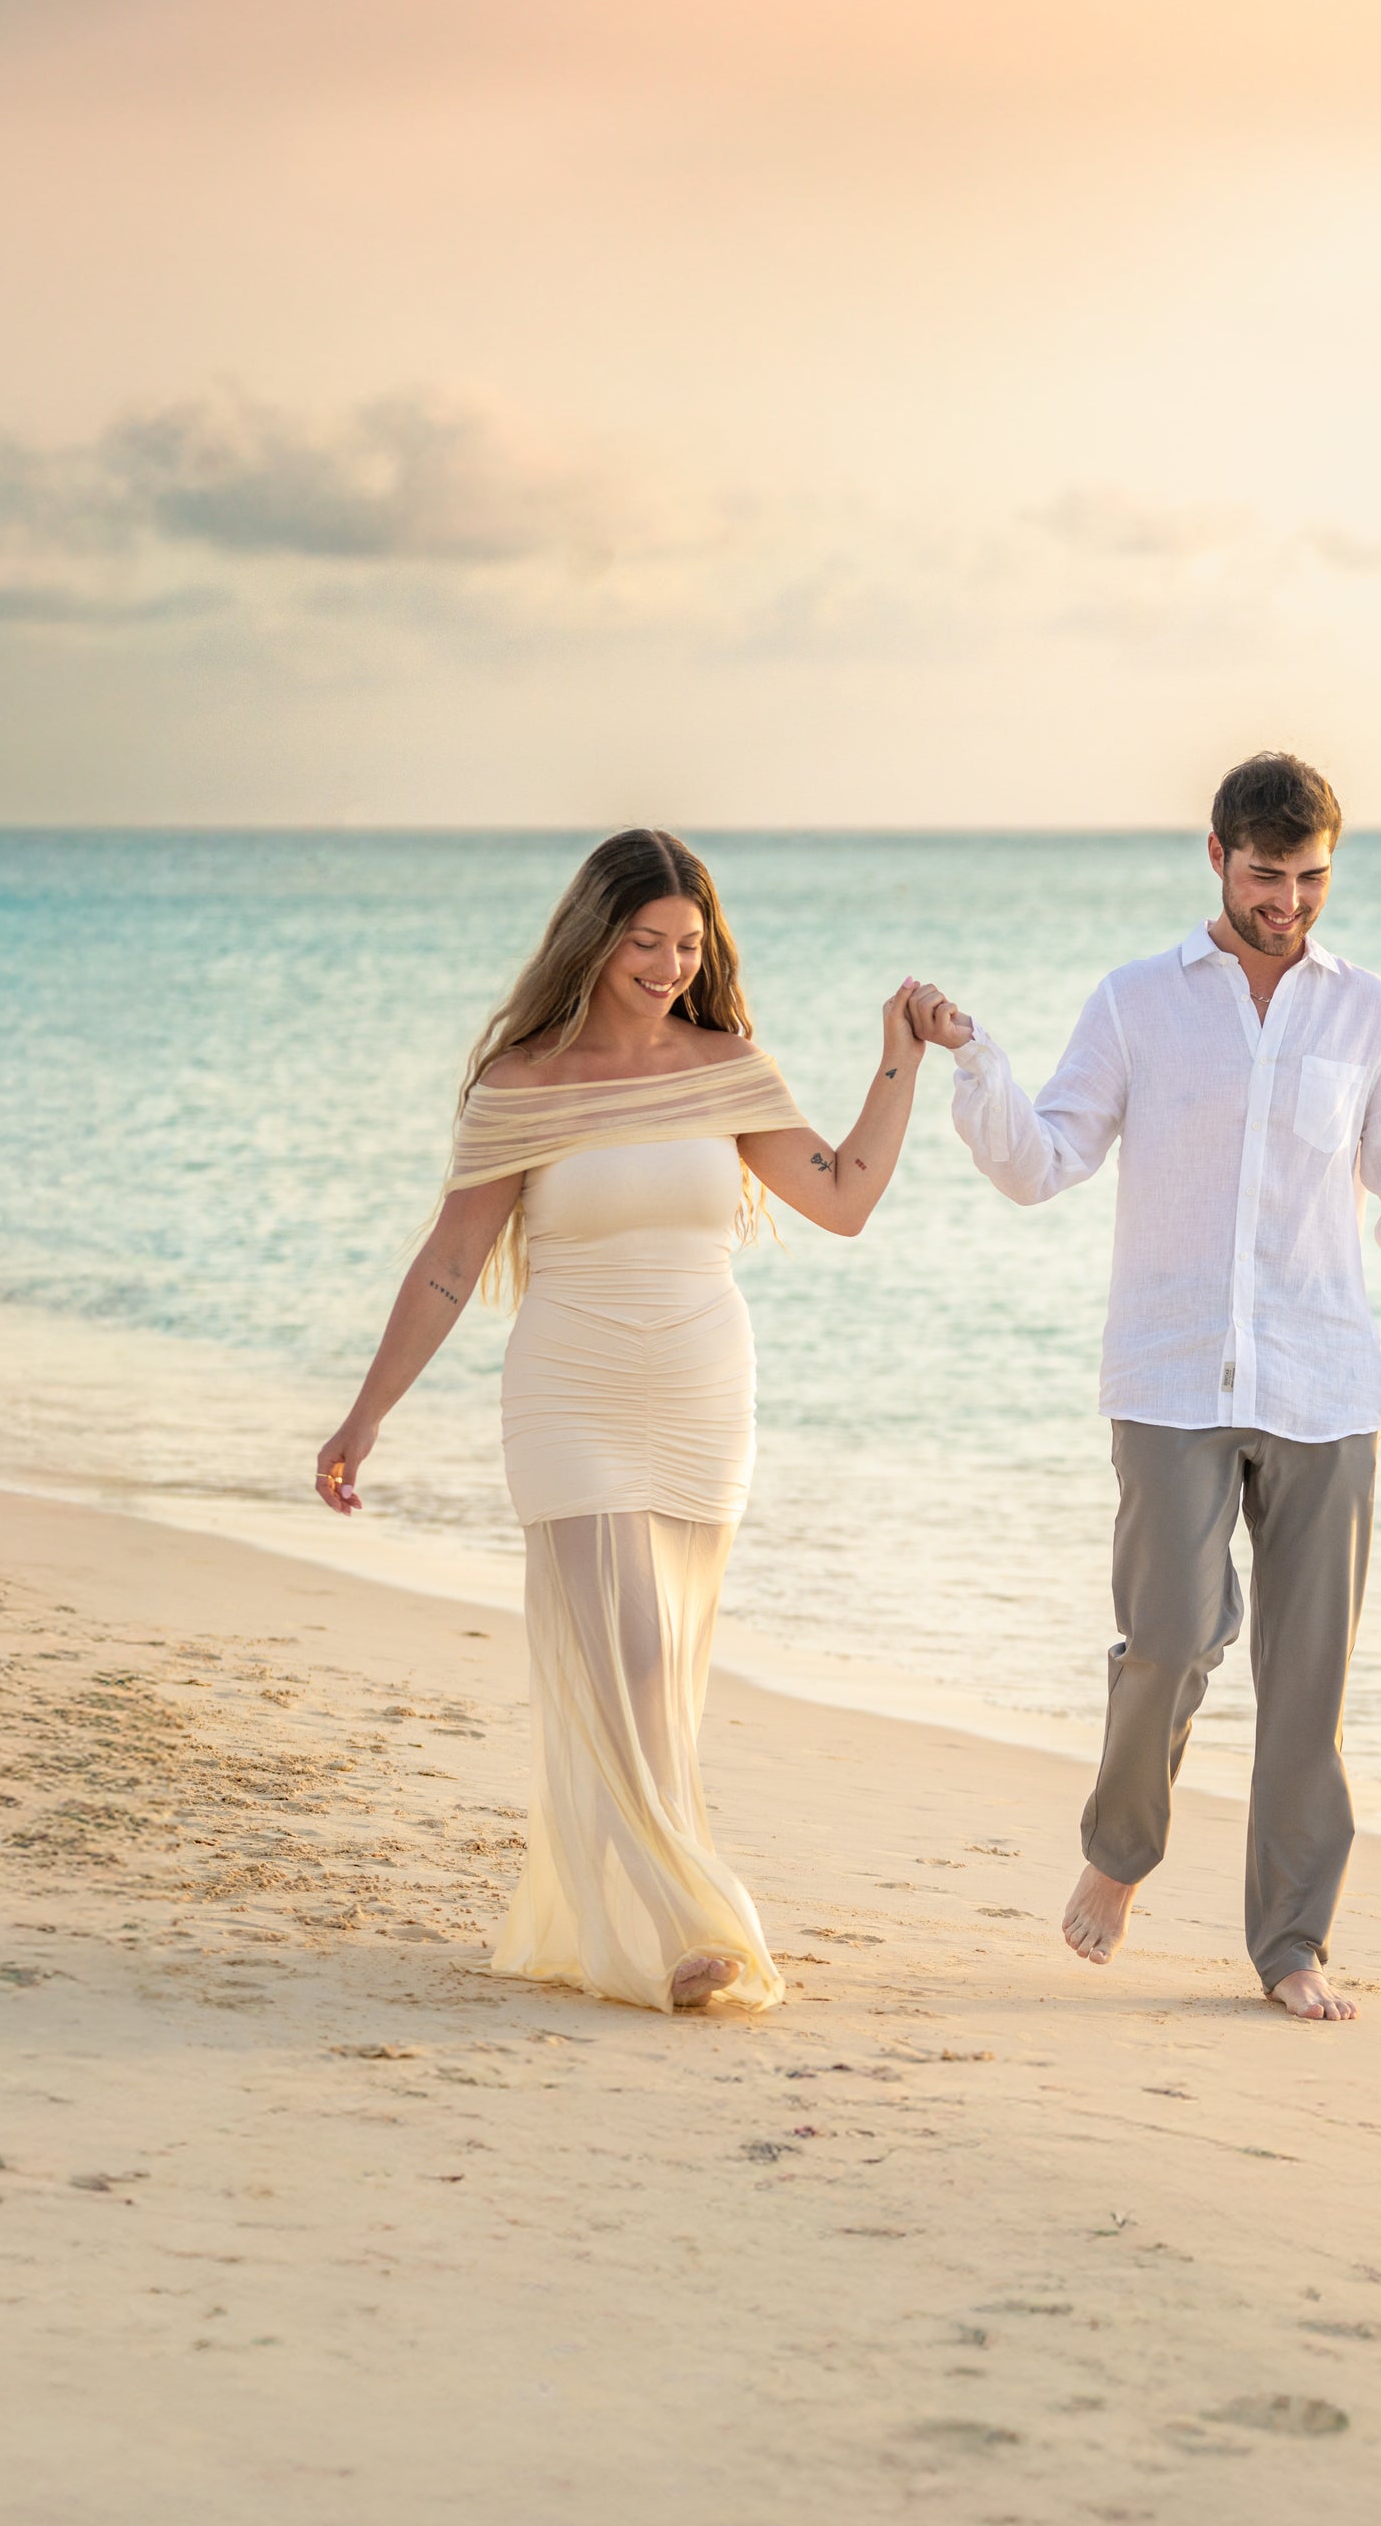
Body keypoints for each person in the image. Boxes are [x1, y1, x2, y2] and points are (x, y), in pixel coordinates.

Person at [315, 830, 931, 2014]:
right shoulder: (524, 1084)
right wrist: (368, 1410)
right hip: (571, 1384)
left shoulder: (727, 1065)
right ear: (594, 938)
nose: (665, 964)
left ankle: (630, 1922)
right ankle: (689, 1924)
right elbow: (451, 1261)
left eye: (687, 944)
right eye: (644, 941)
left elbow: (845, 1196)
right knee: (628, 1642)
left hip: (702, 1386)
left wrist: (897, 1056)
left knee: (660, 1669)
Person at [905, 753, 1381, 2022]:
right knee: (1169, 1636)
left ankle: (1289, 1943)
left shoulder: (1370, 1015)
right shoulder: (1135, 1005)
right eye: (1268, 874)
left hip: (1328, 1385)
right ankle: (1120, 1849)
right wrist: (974, 1057)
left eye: (1314, 876)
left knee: (1308, 1682)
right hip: (1170, 1378)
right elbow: (1042, 1162)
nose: (1291, 901)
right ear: (1215, 856)